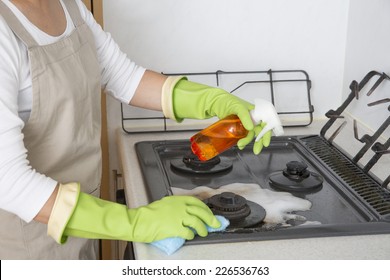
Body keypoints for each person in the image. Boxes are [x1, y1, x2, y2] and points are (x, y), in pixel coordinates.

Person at [0, 0, 273, 259]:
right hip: (27, 241)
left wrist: (212, 100)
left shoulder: (69, 7)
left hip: (84, 222)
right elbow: (8, 180)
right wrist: (135, 222)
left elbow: (124, 76)